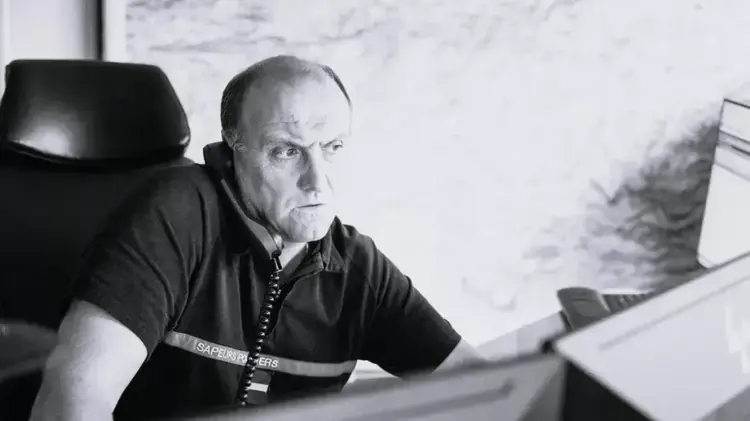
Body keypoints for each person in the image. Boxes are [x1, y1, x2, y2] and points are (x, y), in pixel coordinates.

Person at [29, 55, 485, 421]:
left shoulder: (358, 267)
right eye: (286, 151)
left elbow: (491, 393)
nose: (318, 183)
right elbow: (70, 403)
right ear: (231, 155)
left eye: (333, 148)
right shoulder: (175, 214)